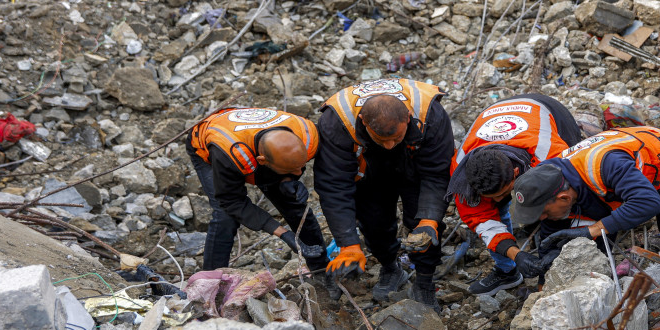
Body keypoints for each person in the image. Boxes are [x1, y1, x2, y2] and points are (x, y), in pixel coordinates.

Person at [316, 79, 454, 311]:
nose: (389, 145)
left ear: (408, 117)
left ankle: (424, 282)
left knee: (424, 224)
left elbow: (437, 174)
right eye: (383, 139)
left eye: (395, 138)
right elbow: (334, 187)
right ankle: (391, 267)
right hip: (368, 163)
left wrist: (429, 219)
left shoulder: (429, 113)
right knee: (373, 220)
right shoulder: (336, 123)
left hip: (415, 159)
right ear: (363, 121)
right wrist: (349, 244)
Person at [509, 126, 660, 272]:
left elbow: (650, 203)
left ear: (563, 197)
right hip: (621, 164)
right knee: (593, 227)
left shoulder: (605, 166)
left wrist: (592, 230)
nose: (542, 218)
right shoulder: (552, 178)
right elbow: (553, 230)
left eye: (543, 212)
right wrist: (546, 266)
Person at [186, 107, 334, 292]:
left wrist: (289, 180)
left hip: (255, 144)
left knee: (293, 203)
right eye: (293, 170)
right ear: (261, 161)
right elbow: (232, 201)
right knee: (225, 217)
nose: (299, 172)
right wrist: (284, 234)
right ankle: (208, 285)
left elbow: (296, 167)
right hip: (208, 146)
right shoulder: (228, 152)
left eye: (301, 167)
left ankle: (321, 270)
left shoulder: (307, 133)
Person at [447, 94, 583, 295]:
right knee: (492, 211)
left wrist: (552, 245)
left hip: (551, 112)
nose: (495, 201)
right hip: (498, 112)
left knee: (553, 208)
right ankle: (506, 272)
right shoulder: (462, 174)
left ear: (517, 173)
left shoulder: (551, 157)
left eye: (502, 193)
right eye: (489, 196)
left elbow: (567, 201)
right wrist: (516, 254)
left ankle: (556, 269)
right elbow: (482, 220)